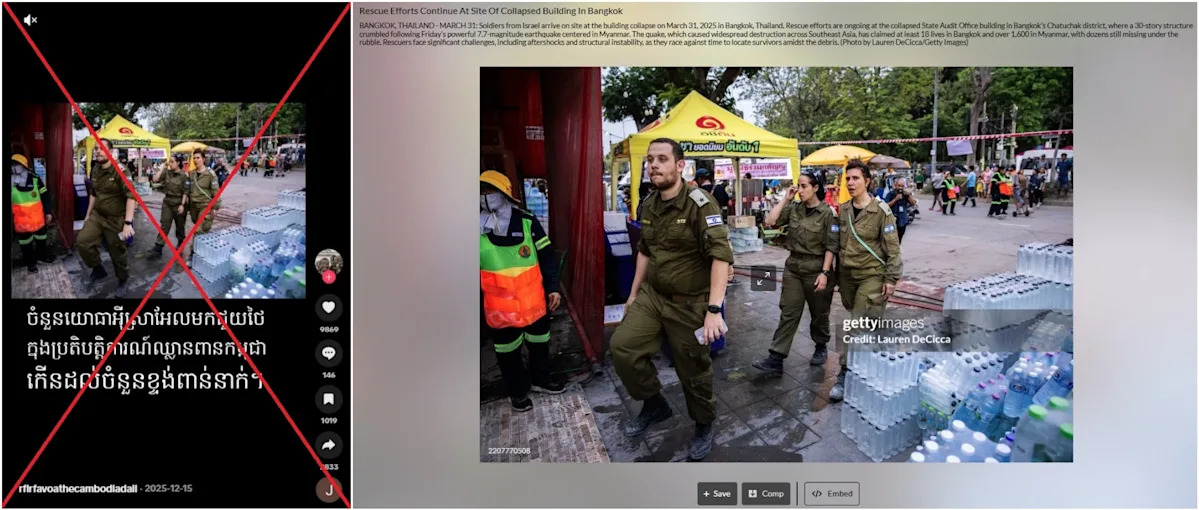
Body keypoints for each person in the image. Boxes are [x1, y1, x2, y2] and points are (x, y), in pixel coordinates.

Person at [610, 138, 733, 461]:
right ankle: (654, 404)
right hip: (653, 296)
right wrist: (634, 294)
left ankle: (704, 424)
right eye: (651, 159)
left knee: (693, 371)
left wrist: (714, 310)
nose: (654, 165)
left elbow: (721, 256)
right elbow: (645, 251)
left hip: (690, 302)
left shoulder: (700, 203)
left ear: (680, 166)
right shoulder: (649, 205)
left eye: (662, 159)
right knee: (623, 347)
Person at [479, 170, 565, 413]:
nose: (486, 196)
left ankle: (541, 380)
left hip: (534, 303)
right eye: (482, 191)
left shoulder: (527, 221)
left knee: (540, 345)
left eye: (491, 190)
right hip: (499, 311)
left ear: (505, 194)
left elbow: (547, 257)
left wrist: (553, 288)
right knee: (508, 355)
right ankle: (517, 392)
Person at [831, 159, 903, 402]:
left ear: (867, 181)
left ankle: (845, 373)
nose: (850, 183)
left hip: (872, 275)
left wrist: (891, 278)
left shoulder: (881, 211)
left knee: (855, 325)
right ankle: (870, 355)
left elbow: (893, 249)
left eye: (855, 178)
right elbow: (838, 245)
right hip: (848, 277)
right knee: (862, 321)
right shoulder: (843, 210)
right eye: (847, 179)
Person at [754, 172, 838, 373]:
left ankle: (820, 345)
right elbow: (769, 221)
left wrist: (825, 273)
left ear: (815, 188)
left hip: (816, 268)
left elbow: (832, 246)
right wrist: (786, 198)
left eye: (804, 186)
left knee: (819, 313)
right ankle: (776, 357)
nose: (800, 190)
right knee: (788, 312)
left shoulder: (827, 213)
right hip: (794, 267)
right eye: (798, 186)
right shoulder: (794, 209)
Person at [77, 139, 137, 297]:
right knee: (82, 242)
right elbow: (94, 193)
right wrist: (88, 215)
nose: (98, 151)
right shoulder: (95, 169)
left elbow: (132, 196)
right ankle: (98, 269)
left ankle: (123, 279)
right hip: (97, 215)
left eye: (102, 149)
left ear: (111, 152)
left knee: (117, 253)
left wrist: (128, 223)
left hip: (115, 219)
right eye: (96, 148)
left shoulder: (121, 171)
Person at [10, 154, 56, 272]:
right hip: (21, 223)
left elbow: (45, 196)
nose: (15, 167)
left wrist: (48, 212)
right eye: (13, 164)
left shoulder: (35, 179)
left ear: (24, 166)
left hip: (39, 220)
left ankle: (42, 256)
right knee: (26, 245)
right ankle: (30, 264)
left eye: (17, 164)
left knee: (41, 240)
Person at [145, 156, 190, 259]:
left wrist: (182, 205)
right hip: (167, 202)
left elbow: (185, 192)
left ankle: (180, 241)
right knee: (164, 224)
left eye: (172, 162)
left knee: (180, 226)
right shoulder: (167, 172)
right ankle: (158, 247)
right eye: (170, 162)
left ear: (178, 162)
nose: (170, 163)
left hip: (179, 203)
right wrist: (163, 167)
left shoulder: (184, 176)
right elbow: (155, 179)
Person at [186, 149, 221, 261]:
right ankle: (205, 248)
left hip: (205, 205)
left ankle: (193, 255)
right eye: (194, 158)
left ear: (203, 159)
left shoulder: (210, 174)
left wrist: (215, 207)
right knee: (202, 229)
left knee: (198, 230)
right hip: (193, 206)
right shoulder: (192, 174)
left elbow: (216, 191)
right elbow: (189, 189)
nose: (196, 160)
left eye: (198, 158)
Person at [885, 178, 917, 243]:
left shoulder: (905, 194)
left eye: (902, 186)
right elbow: (886, 205)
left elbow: (913, 203)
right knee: (890, 239)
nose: (900, 188)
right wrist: (895, 199)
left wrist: (908, 195)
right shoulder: (891, 194)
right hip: (892, 220)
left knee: (899, 238)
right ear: (895, 185)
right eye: (899, 185)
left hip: (903, 220)